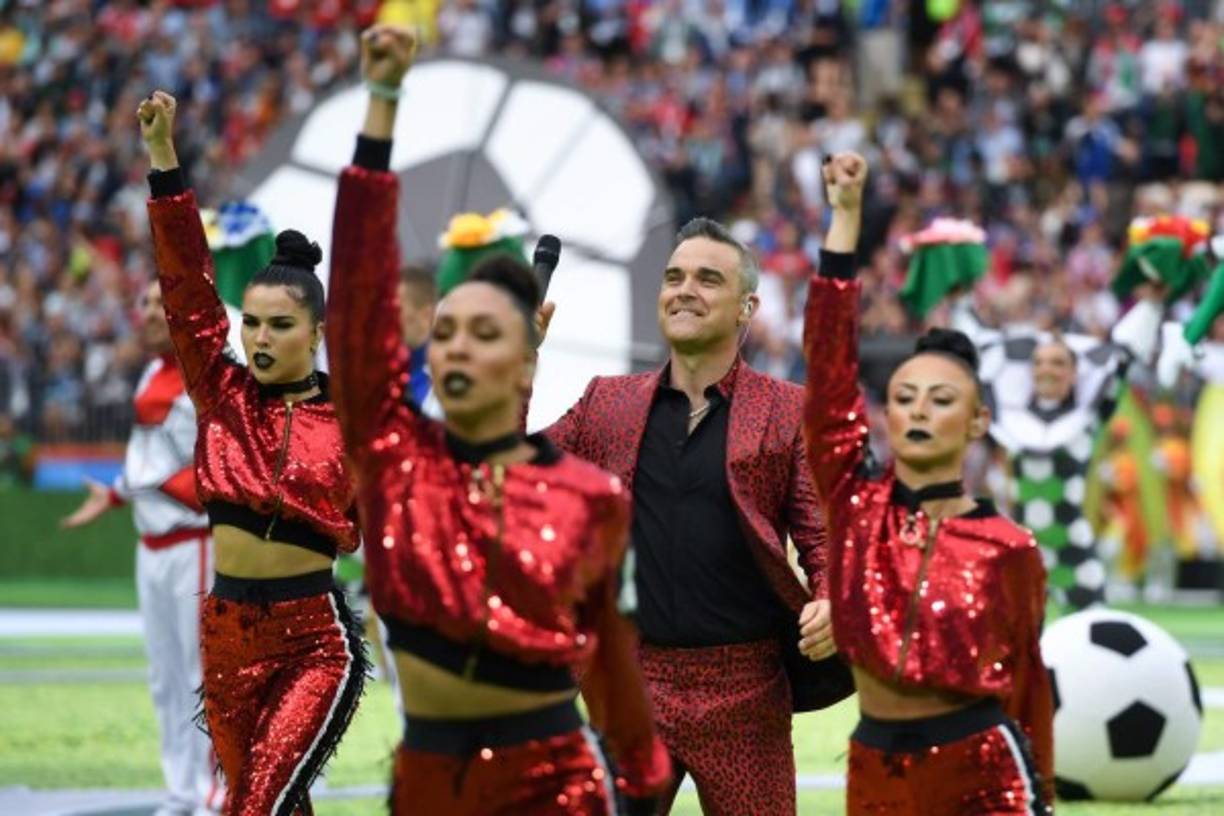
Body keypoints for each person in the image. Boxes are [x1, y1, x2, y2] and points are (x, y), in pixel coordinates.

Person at [326, 25, 670, 816]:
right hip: (425, 782)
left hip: (555, 781)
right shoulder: (392, 455)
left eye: (486, 335)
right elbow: (355, 302)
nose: (458, 348)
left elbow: (615, 673)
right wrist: (381, 108)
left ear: (527, 362)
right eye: (445, 331)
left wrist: (646, 784)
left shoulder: (591, 498)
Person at [534, 196, 844, 816]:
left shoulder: (786, 411)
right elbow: (507, 476)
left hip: (746, 686)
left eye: (708, 279)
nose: (685, 290)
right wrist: (516, 362)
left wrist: (832, 596)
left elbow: (822, 535)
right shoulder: (607, 403)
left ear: (746, 308)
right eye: (674, 277)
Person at [803, 152, 1053, 814]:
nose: (917, 409)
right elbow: (828, 375)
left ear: (978, 422)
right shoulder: (857, 506)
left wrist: (1045, 799)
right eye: (906, 396)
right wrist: (845, 220)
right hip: (873, 767)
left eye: (941, 400)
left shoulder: (1010, 548)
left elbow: (1031, 694)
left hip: (984, 771)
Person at [138, 90, 366, 816]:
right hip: (226, 632)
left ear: (317, 333)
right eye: (253, 324)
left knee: (256, 804)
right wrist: (164, 166)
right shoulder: (221, 392)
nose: (260, 339)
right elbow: (186, 292)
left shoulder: (353, 418)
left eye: (280, 326)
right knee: (267, 802)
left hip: (314, 640)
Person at [61, 279, 223, 816]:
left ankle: (211, 795)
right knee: (165, 677)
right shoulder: (154, 372)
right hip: (151, 544)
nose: (149, 312)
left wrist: (127, 489)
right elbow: (151, 460)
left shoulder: (207, 376)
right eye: (145, 302)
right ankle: (181, 792)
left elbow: (202, 468)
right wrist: (114, 494)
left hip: (193, 544)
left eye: (161, 302)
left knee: (201, 677)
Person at [947, 280, 1164, 608]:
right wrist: (960, 298)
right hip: (1020, 546)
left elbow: (1123, 358)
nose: (1047, 370)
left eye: (1058, 363)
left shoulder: (1089, 415)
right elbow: (977, 347)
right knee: (1009, 640)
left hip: (1073, 548)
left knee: (1088, 631)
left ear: (1076, 374)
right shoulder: (1009, 415)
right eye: (1040, 362)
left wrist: (1151, 304)